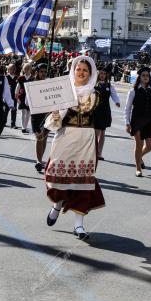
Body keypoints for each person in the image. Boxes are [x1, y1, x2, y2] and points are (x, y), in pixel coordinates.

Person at [43, 56, 105, 240]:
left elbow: (102, 122)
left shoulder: (96, 95)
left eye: (85, 70)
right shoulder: (64, 91)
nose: (81, 73)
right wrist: (55, 114)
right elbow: (55, 123)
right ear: (73, 70)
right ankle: (57, 205)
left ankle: (79, 225)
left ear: (90, 73)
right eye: (78, 69)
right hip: (65, 138)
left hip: (86, 139)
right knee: (59, 179)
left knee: (84, 183)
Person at [124, 66, 151, 177]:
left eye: (147, 75)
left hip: (149, 120)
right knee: (139, 144)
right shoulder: (133, 90)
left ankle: (139, 156)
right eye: (143, 75)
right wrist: (127, 123)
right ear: (140, 77)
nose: (146, 77)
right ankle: (138, 169)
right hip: (137, 120)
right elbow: (127, 108)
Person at [93, 65, 121, 160]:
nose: (102, 75)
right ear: (97, 73)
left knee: (102, 132)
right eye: (101, 73)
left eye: (104, 74)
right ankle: (94, 152)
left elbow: (114, 95)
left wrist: (117, 101)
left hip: (105, 110)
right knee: (96, 133)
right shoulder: (93, 84)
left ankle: (99, 153)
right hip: (95, 110)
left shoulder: (109, 86)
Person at [30, 63, 51, 172]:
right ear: (37, 72)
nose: (43, 73)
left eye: (45, 72)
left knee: (44, 138)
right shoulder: (32, 84)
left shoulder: (49, 83)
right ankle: (38, 161)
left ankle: (40, 160)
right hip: (36, 114)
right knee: (39, 136)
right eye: (41, 71)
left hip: (47, 113)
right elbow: (27, 100)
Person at [15, 63, 34, 134]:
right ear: (23, 69)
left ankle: (25, 127)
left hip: (30, 97)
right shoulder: (21, 78)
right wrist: (16, 95)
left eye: (28, 69)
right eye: (25, 69)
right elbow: (18, 87)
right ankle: (23, 127)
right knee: (23, 112)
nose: (27, 70)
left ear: (30, 70)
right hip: (22, 96)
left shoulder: (33, 78)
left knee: (28, 113)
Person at [5, 63, 19, 129]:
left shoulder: (17, 77)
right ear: (8, 69)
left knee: (14, 110)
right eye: (11, 69)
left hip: (14, 96)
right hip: (7, 96)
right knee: (6, 109)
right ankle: (3, 122)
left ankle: (13, 124)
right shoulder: (6, 77)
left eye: (14, 69)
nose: (12, 70)